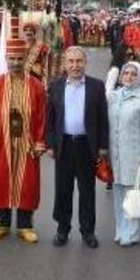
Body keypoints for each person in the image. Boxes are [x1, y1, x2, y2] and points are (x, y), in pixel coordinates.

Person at [0, 27, 47, 243]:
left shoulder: (37, 86)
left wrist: (40, 142)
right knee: (1, 181)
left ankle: (25, 226)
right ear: (6, 59)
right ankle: (2, 224)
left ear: (25, 58)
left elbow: (42, 116)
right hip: (1, 141)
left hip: (27, 142)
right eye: (12, 58)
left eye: (19, 58)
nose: (16, 62)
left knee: (27, 183)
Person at [46, 46, 109, 248]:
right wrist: (50, 144)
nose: (75, 66)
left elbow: (103, 118)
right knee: (63, 190)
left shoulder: (96, 86)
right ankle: (62, 229)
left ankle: (88, 231)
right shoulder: (55, 86)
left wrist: (103, 145)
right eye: (71, 61)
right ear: (65, 64)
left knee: (87, 190)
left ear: (85, 63)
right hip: (64, 144)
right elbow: (50, 118)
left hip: (86, 146)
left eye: (79, 61)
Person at [106, 61, 140, 246]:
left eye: (133, 74)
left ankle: (132, 232)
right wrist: (110, 81)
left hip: (133, 153)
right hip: (115, 152)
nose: (129, 77)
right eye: (125, 73)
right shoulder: (114, 96)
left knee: (131, 194)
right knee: (118, 191)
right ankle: (120, 229)